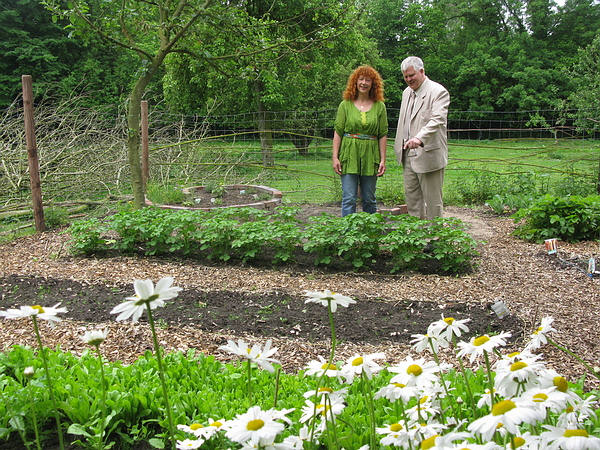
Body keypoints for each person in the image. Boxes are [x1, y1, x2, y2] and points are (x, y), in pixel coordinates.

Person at [393, 56, 449, 221]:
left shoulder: (438, 92)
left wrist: (419, 138)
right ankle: (417, 236)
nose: (409, 79)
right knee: (413, 201)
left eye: (412, 75)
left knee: (433, 202)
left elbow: (437, 120)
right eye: (406, 76)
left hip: (428, 154)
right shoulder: (406, 93)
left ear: (422, 71)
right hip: (407, 155)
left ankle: (435, 239)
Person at [332, 65, 388, 217]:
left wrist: (383, 159)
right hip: (349, 154)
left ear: (373, 83)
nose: (364, 83)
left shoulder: (379, 106)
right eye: (361, 79)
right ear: (355, 82)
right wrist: (335, 157)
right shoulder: (345, 105)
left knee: (369, 198)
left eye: (367, 80)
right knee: (349, 198)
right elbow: (338, 132)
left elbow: (382, 134)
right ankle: (348, 235)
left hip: (371, 156)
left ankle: (370, 235)